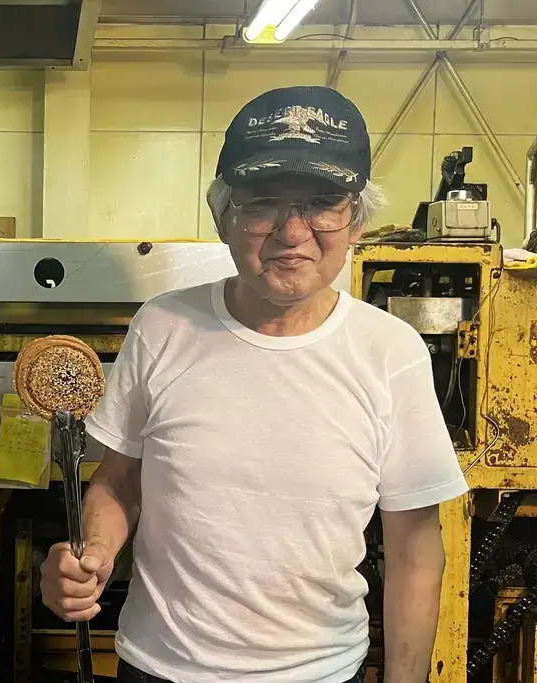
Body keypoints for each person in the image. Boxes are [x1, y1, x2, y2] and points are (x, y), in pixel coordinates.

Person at [40, 85, 467, 683]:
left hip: (318, 672)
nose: (293, 232)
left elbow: (415, 549)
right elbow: (120, 478)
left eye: (323, 203)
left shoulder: (390, 351)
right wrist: (96, 553)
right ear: (223, 217)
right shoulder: (162, 326)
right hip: (159, 667)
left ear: (358, 222)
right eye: (264, 203)